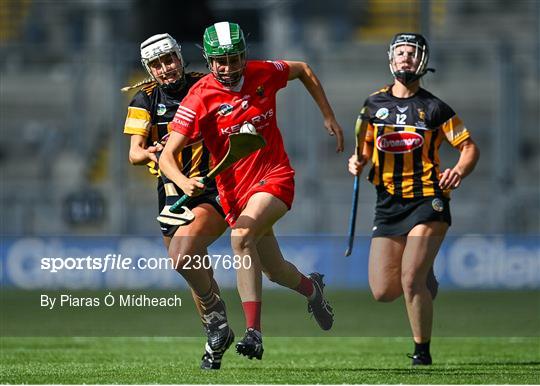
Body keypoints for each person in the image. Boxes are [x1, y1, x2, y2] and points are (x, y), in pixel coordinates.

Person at [160, 21, 344, 360]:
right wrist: (184, 181)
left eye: (235, 59)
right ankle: (313, 290)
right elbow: (168, 156)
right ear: (208, 59)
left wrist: (328, 115)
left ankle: (253, 333)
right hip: (235, 195)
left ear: (245, 54)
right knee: (274, 270)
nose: (228, 68)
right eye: (220, 61)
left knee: (241, 237)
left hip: (275, 177)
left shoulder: (263, 72)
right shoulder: (199, 97)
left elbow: (303, 70)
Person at [348, 33, 480, 365]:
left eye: (412, 53)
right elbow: (364, 146)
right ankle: (425, 276)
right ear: (391, 59)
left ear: (421, 61)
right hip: (388, 201)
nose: (406, 58)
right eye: (401, 52)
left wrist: (459, 172)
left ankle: (421, 351)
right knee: (383, 291)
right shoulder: (372, 105)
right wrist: (358, 160)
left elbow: (468, 147)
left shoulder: (435, 108)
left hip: (428, 199)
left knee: (410, 279)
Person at [122, 33, 234, 370]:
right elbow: (134, 154)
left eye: (168, 59)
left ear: (179, 57)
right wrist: (153, 151)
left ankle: (217, 320)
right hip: (172, 193)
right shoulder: (144, 99)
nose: (165, 68)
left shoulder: (206, 85)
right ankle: (216, 341)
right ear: (149, 69)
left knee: (183, 256)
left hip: (213, 188)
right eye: (156, 64)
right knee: (193, 270)